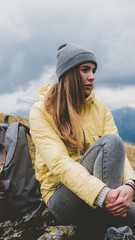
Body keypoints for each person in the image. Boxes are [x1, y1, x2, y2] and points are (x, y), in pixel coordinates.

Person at [29, 43, 135, 238]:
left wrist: (129, 185)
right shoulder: (41, 111)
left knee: (114, 143)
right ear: (68, 74)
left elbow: (119, 156)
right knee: (110, 142)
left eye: (93, 70)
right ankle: (114, 230)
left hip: (101, 195)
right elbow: (60, 164)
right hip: (61, 198)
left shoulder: (100, 108)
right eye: (84, 70)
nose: (92, 76)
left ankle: (107, 224)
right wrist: (105, 194)